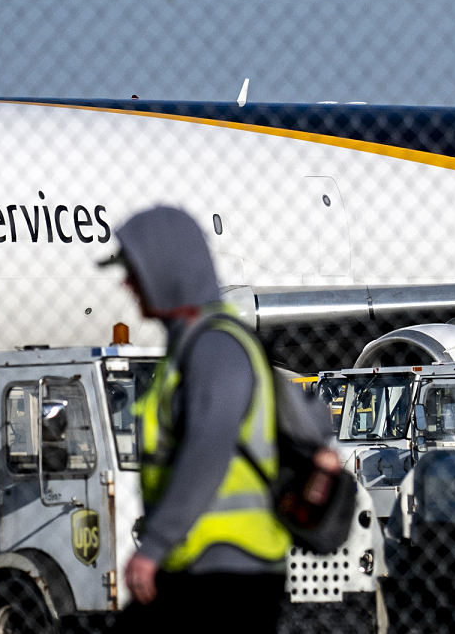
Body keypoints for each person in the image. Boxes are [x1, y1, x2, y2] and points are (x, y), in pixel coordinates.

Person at [106, 205, 289, 631]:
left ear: (166, 272)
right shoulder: (192, 346)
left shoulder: (213, 348)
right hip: (204, 563)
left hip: (229, 569)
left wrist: (153, 546)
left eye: (135, 270)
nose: (127, 283)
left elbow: (207, 451)